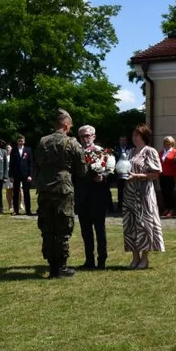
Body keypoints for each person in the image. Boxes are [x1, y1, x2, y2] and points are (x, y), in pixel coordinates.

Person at [35, 109, 87, 278]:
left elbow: (37, 164)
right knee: (64, 227)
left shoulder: (43, 141)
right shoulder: (71, 143)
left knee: (48, 228)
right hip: (63, 189)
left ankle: (52, 266)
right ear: (66, 125)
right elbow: (81, 170)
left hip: (44, 189)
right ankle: (62, 267)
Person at [122, 123, 165, 270]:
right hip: (129, 192)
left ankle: (145, 258)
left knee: (145, 224)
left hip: (144, 192)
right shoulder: (129, 152)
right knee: (131, 224)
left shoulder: (150, 151)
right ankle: (135, 257)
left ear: (144, 136)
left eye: (137, 135)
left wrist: (138, 176)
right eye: (133, 135)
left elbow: (156, 174)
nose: (134, 138)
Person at [76, 125, 110, 270]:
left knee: (100, 230)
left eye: (88, 135)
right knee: (86, 231)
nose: (85, 139)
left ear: (94, 137)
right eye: (82, 136)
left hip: (98, 196)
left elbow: (111, 170)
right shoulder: (76, 152)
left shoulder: (102, 152)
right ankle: (89, 259)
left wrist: (103, 177)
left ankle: (102, 260)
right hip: (82, 196)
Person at [10, 135, 34, 216]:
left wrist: (30, 175)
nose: (20, 142)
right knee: (16, 193)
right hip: (16, 174)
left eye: (22, 141)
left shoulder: (28, 150)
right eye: (19, 141)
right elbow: (11, 164)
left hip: (26, 174)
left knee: (26, 193)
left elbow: (30, 163)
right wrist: (11, 175)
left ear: (24, 141)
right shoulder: (13, 150)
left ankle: (28, 210)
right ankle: (16, 210)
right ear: (17, 141)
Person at [159, 136, 176, 217]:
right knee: (164, 192)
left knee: (170, 193)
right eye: (165, 142)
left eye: (168, 142)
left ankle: (172, 209)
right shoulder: (161, 152)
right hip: (162, 175)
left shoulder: (175, 152)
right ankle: (166, 208)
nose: (166, 144)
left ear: (172, 143)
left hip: (170, 175)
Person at [113, 135, 132, 215]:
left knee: (128, 190)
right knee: (120, 190)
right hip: (119, 173)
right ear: (119, 141)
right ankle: (120, 206)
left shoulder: (131, 149)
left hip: (128, 173)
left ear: (126, 141)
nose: (123, 142)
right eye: (121, 140)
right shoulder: (115, 149)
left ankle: (128, 206)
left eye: (124, 140)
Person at [3, 143, 14, 212]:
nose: (8, 149)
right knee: (8, 190)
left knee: (18, 190)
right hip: (7, 175)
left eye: (9, 148)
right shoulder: (4, 157)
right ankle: (10, 205)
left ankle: (19, 204)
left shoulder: (13, 156)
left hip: (14, 174)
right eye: (6, 148)